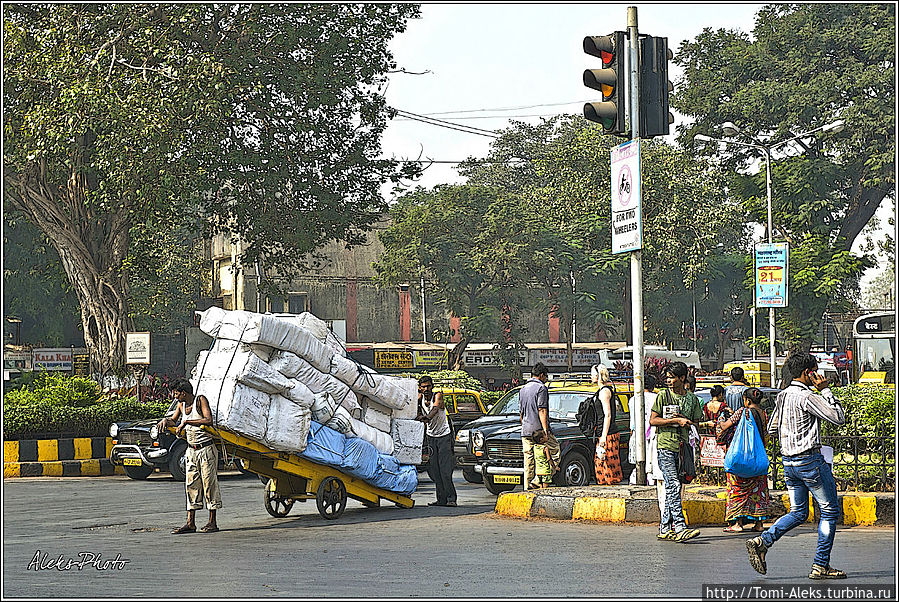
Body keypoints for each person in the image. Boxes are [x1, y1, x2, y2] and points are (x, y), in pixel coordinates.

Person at [746, 352, 847, 580]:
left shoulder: (782, 396)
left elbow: (772, 429)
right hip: (809, 462)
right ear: (808, 373)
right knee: (830, 512)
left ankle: (764, 541)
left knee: (798, 512)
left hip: (789, 463)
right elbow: (838, 417)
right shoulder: (808, 397)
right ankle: (821, 565)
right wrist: (825, 390)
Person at [157, 378, 222, 534]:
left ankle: (212, 522)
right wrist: (165, 421)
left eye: (176, 393)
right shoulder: (181, 405)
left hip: (205, 450)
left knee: (209, 485)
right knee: (191, 485)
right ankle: (190, 523)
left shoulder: (200, 401)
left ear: (184, 393)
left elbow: (208, 420)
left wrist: (186, 423)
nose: (174, 396)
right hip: (191, 450)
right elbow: (173, 420)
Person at [650, 361, 703, 542]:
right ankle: (679, 527)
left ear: (682, 378)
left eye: (673, 377)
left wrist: (685, 421)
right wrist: (673, 422)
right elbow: (653, 420)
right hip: (665, 445)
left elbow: (696, 424)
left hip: (684, 448)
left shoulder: (693, 400)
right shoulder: (663, 396)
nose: (669, 381)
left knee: (676, 486)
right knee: (672, 485)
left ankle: (665, 527)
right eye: (668, 377)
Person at [720, 387, 770, 533]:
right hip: (758, 457)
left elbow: (725, 426)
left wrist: (721, 418)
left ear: (747, 400)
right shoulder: (763, 414)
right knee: (758, 490)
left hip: (741, 457)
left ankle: (737, 524)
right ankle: (759, 524)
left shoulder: (743, 411)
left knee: (737, 489)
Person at [418, 375, 457, 507]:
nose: (426, 389)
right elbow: (417, 413)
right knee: (435, 470)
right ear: (420, 388)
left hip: (444, 436)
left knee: (445, 470)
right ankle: (441, 499)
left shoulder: (437, 396)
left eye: (428, 386)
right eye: (423, 387)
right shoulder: (421, 399)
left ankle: (451, 499)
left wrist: (427, 418)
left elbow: (435, 409)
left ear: (432, 386)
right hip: (431, 436)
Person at [520, 363, 560, 490]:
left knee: (529, 461)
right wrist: (545, 430)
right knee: (554, 451)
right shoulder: (541, 388)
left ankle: (527, 488)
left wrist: (525, 426)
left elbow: (521, 413)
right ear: (542, 375)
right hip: (538, 431)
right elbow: (542, 410)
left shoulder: (523, 389)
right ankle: (537, 481)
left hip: (525, 430)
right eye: (546, 376)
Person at [591, 364, 622, 485]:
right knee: (601, 466)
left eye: (593, 374)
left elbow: (607, 415)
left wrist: (604, 436)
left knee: (609, 466)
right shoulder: (602, 391)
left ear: (598, 375)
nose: (591, 376)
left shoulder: (605, 392)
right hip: (602, 433)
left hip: (608, 434)